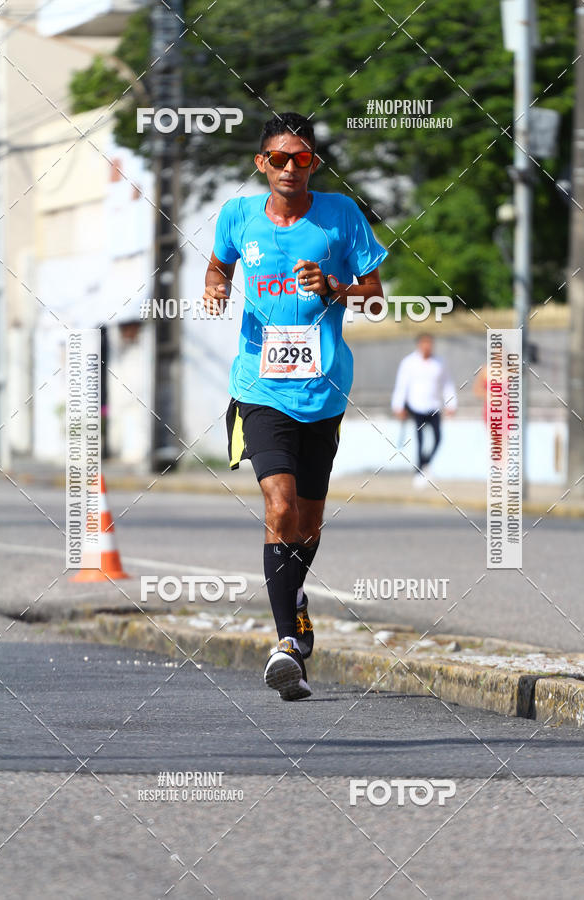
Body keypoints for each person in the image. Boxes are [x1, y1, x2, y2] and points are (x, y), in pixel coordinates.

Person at [203, 111, 388, 700]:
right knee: (278, 504)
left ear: (314, 163)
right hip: (259, 388)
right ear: (262, 164)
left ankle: (296, 600)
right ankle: (286, 643)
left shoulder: (339, 216)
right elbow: (218, 263)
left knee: (308, 521)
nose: (290, 167)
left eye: (301, 158)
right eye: (279, 158)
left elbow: (378, 300)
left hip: (324, 389)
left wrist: (336, 288)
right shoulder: (237, 216)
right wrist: (213, 285)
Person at [391, 333, 457, 487]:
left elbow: (447, 384)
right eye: (424, 344)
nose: (427, 347)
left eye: (430, 344)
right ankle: (418, 471)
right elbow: (402, 385)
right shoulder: (409, 362)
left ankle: (426, 464)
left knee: (438, 438)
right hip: (417, 407)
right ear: (419, 345)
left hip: (434, 407)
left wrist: (451, 403)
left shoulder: (439, 362)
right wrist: (398, 405)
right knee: (420, 441)